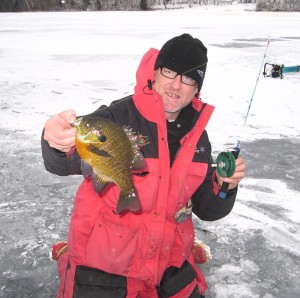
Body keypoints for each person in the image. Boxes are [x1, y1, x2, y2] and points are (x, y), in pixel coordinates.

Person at [41, 33, 245, 298]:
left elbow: (207, 208)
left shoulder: (198, 136)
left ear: (197, 88)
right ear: (155, 73)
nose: (175, 85)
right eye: (169, 71)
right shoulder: (117, 117)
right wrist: (55, 140)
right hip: (106, 271)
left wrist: (223, 186)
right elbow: (60, 161)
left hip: (168, 269)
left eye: (188, 78)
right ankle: (69, 254)